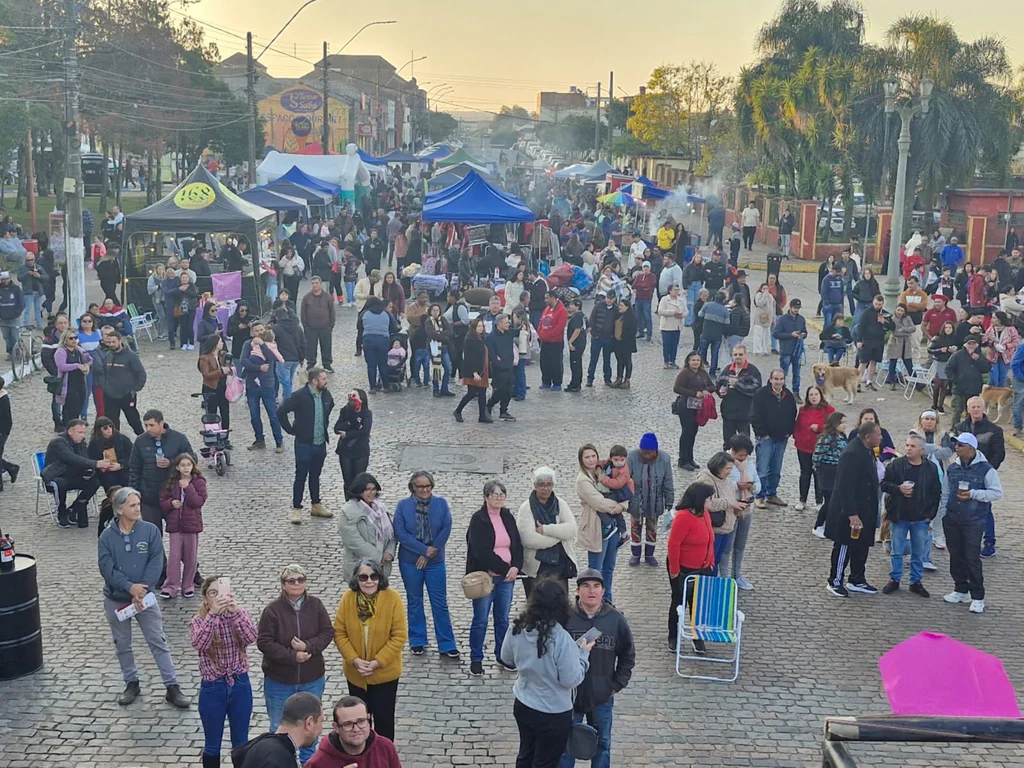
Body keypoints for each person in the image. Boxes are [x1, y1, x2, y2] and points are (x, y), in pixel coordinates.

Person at [98, 487, 191, 708]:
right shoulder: (106, 537)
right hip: (116, 599)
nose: (138, 508)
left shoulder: (150, 531)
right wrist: (130, 588)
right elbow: (106, 568)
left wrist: (143, 589)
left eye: (138, 504)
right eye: (132, 505)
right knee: (122, 644)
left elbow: (156, 560)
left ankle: (172, 686)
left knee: (158, 640)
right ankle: (131, 682)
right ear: (119, 509)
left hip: (145, 598)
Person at [501, 578, 593, 768]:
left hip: (524, 703)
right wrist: (583, 654)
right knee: (545, 763)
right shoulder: (561, 638)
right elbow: (571, 679)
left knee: (525, 756)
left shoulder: (517, 627)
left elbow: (507, 659)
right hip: (553, 712)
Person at [256, 564, 335, 764]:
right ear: (283, 585)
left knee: (310, 729)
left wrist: (308, 646)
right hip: (279, 681)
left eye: (300, 579)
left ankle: (310, 764)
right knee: (278, 728)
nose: (297, 584)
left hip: (311, 679)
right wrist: (293, 656)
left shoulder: (316, 605)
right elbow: (264, 642)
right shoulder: (272, 610)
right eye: (291, 580)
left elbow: (327, 632)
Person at [556, 569, 635, 768]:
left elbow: (628, 655)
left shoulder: (616, 620)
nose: (591, 591)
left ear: (603, 591)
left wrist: (616, 685)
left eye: (596, 586)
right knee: (565, 746)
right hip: (570, 695)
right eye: (586, 586)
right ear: (577, 591)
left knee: (602, 745)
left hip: (602, 696)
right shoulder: (565, 619)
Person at [190, 576, 259, 768]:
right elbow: (200, 644)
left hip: (239, 684)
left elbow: (252, 636)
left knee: (241, 742)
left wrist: (235, 612)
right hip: (213, 687)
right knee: (212, 744)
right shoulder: (199, 620)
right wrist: (213, 615)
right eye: (213, 593)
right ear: (205, 599)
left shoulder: (239, 614)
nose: (217, 597)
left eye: (220, 592)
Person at [393, 471, 459, 658]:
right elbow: (401, 532)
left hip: (435, 561)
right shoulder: (403, 506)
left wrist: (431, 552)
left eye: (427, 485)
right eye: (420, 486)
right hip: (410, 561)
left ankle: (447, 643)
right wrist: (423, 550)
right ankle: (417, 640)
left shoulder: (441, 504)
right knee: (414, 600)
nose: (424, 489)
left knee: (439, 602)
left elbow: (446, 528)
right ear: (413, 487)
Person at [466, 479, 524, 676]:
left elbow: (516, 543)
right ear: (486, 497)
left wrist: (516, 566)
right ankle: (476, 658)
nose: (499, 498)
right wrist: (506, 568)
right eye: (494, 495)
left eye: (502, 495)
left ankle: (503, 654)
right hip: (486, 578)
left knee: (502, 619)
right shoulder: (479, 520)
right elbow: (481, 551)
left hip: (507, 579)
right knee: (480, 619)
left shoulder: (507, 516)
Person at [942, 432, 1002, 614]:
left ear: (971, 448)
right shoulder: (952, 468)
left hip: (974, 520)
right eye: (956, 444)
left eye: (960, 445)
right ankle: (961, 589)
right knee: (955, 555)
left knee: (972, 557)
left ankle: (978, 596)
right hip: (952, 518)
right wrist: (943, 514)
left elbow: (996, 493)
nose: (956, 448)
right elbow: (945, 492)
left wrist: (974, 494)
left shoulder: (986, 469)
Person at [824, 420, 882, 598]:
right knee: (844, 546)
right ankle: (835, 581)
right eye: (878, 435)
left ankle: (857, 579)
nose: (881, 437)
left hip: (865, 509)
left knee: (861, 546)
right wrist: (852, 514)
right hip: (849, 513)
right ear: (868, 437)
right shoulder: (852, 453)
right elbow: (845, 487)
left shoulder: (867, 451)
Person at [879, 435, 941, 597]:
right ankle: (895, 579)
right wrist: (898, 489)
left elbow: (936, 493)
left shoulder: (930, 468)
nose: (908, 448)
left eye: (912, 446)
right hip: (899, 515)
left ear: (921, 450)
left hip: (920, 517)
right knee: (896, 550)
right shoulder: (896, 465)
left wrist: (930, 515)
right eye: (907, 445)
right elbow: (884, 484)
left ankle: (915, 581)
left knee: (918, 552)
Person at [278, 367, 335, 524]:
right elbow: (281, 411)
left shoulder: (326, 395)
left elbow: (330, 406)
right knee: (300, 476)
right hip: (304, 443)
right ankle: (296, 508)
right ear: (314, 381)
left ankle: (316, 504)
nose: (326, 381)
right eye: (323, 379)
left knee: (315, 475)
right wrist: (290, 430)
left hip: (320, 442)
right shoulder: (299, 396)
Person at [665, 482, 717, 653]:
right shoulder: (683, 517)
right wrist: (674, 571)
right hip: (683, 569)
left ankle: (698, 637)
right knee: (679, 602)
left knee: (699, 605)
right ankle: (673, 636)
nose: (712, 501)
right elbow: (674, 545)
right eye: (709, 498)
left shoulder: (705, 514)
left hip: (703, 568)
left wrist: (709, 562)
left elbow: (710, 540)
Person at [953, 395, 1005, 558]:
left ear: (984, 409)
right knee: (961, 504)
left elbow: (999, 454)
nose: (975, 410)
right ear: (967, 409)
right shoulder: (960, 427)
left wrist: (986, 470)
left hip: (983, 474)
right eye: (972, 407)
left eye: (978, 407)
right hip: (962, 472)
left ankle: (989, 542)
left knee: (984, 507)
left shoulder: (994, 430)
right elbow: (955, 448)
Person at [129, 409, 194, 536]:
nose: (148, 429)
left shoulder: (178, 438)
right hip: (149, 497)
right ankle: (159, 557)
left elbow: (192, 459)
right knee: (152, 535)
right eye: (146, 425)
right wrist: (134, 493)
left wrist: (172, 463)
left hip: (172, 495)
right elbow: (134, 468)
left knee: (178, 535)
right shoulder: (141, 441)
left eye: (151, 425)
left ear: (161, 423)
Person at [157, 453, 207, 600]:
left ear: (193, 466)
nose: (186, 468)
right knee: (174, 556)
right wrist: (171, 503)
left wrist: (188, 488)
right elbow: (163, 500)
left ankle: (188, 585)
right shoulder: (171, 482)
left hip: (191, 525)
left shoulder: (198, 482)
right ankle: (171, 586)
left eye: (188, 465)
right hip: (175, 525)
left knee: (190, 556)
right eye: (183, 465)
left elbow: (198, 501)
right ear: (178, 467)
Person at [42, 418, 108, 528]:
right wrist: (96, 464)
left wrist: (89, 472)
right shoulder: (58, 442)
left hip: (73, 475)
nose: (83, 435)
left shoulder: (81, 443)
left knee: (94, 482)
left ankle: (74, 509)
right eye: (80, 432)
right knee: (60, 483)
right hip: (56, 475)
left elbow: (84, 459)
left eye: (84, 433)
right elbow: (71, 458)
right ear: (70, 431)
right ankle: (62, 513)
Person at [304, 696, 403, 767]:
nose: (356, 729)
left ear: (368, 719)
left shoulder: (386, 748)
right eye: (348, 724)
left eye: (361, 721)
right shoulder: (318, 763)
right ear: (336, 727)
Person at [232, 692, 324, 768]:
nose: (321, 728)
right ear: (309, 723)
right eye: (321, 721)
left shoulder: (263, 743)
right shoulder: (280, 761)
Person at [626, 433, 675, 566]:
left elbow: (668, 480)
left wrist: (669, 500)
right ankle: (635, 555)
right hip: (636, 500)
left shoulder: (664, 459)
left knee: (652, 528)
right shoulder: (632, 457)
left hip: (655, 501)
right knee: (635, 527)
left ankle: (649, 555)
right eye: (644, 452)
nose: (646, 455)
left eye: (649, 452)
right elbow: (626, 479)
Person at [751, 369, 798, 508]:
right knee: (763, 469)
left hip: (781, 438)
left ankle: (771, 494)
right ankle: (759, 495)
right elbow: (755, 415)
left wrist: (788, 432)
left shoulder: (788, 395)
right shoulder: (761, 394)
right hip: (765, 437)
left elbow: (792, 414)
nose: (779, 382)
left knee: (776, 469)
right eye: (776, 379)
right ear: (770, 379)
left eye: (781, 379)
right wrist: (762, 433)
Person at [340, 473, 396, 583]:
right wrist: (378, 557)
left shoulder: (381, 509)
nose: (372, 493)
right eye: (367, 490)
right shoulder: (348, 512)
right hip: (358, 567)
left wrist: (389, 552)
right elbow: (353, 541)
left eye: (374, 489)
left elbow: (392, 534)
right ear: (359, 490)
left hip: (381, 568)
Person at [94, 329, 146, 435]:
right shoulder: (108, 355)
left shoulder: (131, 356)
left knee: (133, 420)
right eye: (109, 342)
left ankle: (143, 438)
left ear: (120, 340)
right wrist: (105, 386)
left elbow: (141, 374)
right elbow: (103, 372)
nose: (111, 344)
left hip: (126, 395)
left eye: (114, 342)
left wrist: (135, 389)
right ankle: (115, 443)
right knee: (112, 423)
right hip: (110, 395)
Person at [241, 326, 284, 452]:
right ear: (252, 333)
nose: (259, 333)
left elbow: (271, 358)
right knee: (254, 415)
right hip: (252, 384)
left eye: (261, 330)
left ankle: (279, 441)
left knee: (272, 414)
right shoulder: (248, 344)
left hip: (267, 384)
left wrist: (263, 345)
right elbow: (243, 360)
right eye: (256, 331)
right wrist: (258, 368)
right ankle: (259, 440)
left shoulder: (270, 344)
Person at [793, 385, 834, 511]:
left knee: (819, 475)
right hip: (803, 447)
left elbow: (833, 427)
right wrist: (797, 437)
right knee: (805, 474)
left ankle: (819, 501)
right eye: (811, 395)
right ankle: (802, 499)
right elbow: (798, 425)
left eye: (816, 394)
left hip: (820, 448)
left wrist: (820, 428)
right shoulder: (803, 409)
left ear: (820, 395)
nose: (814, 397)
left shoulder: (829, 410)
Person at [673, 351, 715, 471]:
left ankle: (690, 458)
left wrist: (707, 391)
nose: (695, 362)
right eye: (693, 360)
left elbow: (712, 386)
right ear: (688, 361)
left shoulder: (702, 373)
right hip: (685, 406)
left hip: (698, 406)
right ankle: (683, 459)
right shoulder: (685, 373)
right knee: (686, 432)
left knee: (693, 432)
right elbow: (677, 388)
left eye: (697, 360)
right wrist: (694, 393)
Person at [715, 345, 761, 449]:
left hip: (744, 414)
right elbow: (718, 384)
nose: (738, 357)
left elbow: (756, 389)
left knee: (744, 444)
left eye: (740, 354)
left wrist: (738, 384)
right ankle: (727, 465)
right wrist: (720, 391)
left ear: (745, 355)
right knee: (728, 444)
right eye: (735, 354)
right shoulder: (727, 369)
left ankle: (743, 464)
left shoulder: (752, 371)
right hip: (728, 413)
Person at [811, 412, 848, 538]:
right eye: (841, 422)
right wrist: (819, 470)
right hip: (827, 472)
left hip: (839, 471)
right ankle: (818, 525)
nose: (844, 425)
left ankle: (830, 524)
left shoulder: (843, 437)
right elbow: (817, 456)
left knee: (836, 500)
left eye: (845, 422)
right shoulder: (826, 438)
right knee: (829, 500)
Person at [334, 388, 373, 498]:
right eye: (350, 395)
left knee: (358, 481)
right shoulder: (345, 411)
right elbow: (337, 428)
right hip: (346, 451)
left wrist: (348, 434)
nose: (351, 397)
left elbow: (365, 431)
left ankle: (359, 504)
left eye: (354, 395)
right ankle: (349, 505)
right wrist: (352, 422)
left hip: (361, 451)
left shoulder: (366, 413)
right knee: (347, 481)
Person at [944, 335, 990, 425]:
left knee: (972, 412)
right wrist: (955, 380)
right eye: (969, 343)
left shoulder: (979, 355)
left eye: (974, 343)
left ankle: (970, 429)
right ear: (965, 344)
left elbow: (987, 368)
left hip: (974, 389)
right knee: (957, 411)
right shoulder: (957, 355)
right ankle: (955, 429)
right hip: (959, 389)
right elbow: (948, 369)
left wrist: (978, 360)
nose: (971, 345)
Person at [54, 328, 92, 426]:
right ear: (65, 340)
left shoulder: (80, 350)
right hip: (69, 385)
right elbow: (61, 366)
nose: (74, 340)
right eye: (71, 338)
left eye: (75, 338)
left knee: (79, 407)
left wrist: (86, 365)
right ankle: (68, 428)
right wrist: (77, 366)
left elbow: (90, 359)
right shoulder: (61, 351)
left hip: (81, 383)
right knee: (70, 409)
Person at [856, 294, 893, 390]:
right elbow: (860, 327)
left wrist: (884, 322)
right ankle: (857, 382)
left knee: (874, 362)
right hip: (867, 340)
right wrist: (859, 340)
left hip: (879, 341)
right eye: (876, 304)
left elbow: (893, 327)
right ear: (873, 302)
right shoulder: (866, 313)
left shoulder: (885, 314)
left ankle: (869, 381)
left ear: (882, 304)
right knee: (863, 362)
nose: (877, 306)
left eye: (879, 304)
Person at [773, 298, 807, 400]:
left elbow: (805, 332)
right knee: (783, 373)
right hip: (786, 351)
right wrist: (790, 335)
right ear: (790, 307)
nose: (796, 310)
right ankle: (782, 391)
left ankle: (796, 393)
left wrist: (803, 335)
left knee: (797, 373)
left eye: (798, 308)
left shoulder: (801, 319)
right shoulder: (782, 319)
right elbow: (776, 333)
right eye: (795, 308)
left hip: (797, 351)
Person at [270, 304, 305, 401]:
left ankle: (288, 401)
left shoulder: (275, 328)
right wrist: (302, 358)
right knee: (288, 380)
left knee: (285, 381)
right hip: (295, 359)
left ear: (277, 317)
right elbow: (303, 343)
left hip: (283, 359)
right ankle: (287, 397)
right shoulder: (297, 327)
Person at [198, 335, 231, 436]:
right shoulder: (205, 358)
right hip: (211, 388)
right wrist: (221, 371)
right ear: (215, 344)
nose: (222, 343)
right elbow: (206, 375)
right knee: (212, 413)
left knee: (225, 412)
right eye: (220, 342)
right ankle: (213, 436)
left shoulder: (222, 355)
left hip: (222, 387)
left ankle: (225, 437)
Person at [485, 313, 516, 421]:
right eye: (506, 322)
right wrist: (498, 363)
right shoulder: (491, 337)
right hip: (499, 368)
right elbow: (492, 355)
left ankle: (504, 410)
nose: (509, 324)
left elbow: (519, 331)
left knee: (509, 390)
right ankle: (489, 405)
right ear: (499, 323)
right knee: (500, 390)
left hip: (509, 365)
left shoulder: (509, 333)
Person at [301, 276, 336, 372]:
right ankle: (311, 363)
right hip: (311, 328)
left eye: (316, 283)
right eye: (313, 283)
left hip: (325, 327)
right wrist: (306, 326)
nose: (315, 285)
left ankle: (327, 364)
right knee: (311, 347)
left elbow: (332, 311)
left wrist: (331, 325)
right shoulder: (306, 298)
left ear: (320, 284)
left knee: (326, 346)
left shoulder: (327, 296)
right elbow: (303, 313)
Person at [537, 291, 567, 391]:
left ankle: (557, 382)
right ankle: (546, 381)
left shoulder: (562, 311)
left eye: (547, 298)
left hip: (555, 342)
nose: (545, 300)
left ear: (553, 298)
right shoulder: (546, 309)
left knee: (555, 363)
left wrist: (550, 335)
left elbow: (560, 326)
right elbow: (541, 322)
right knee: (544, 363)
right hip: (545, 341)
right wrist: (540, 333)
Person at [424, 302, 455, 397]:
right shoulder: (428, 322)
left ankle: (444, 388)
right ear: (430, 311)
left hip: (444, 348)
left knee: (448, 368)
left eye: (437, 310)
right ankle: (436, 389)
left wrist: (439, 334)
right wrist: (443, 337)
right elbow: (431, 334)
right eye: (433, 310)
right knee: (436, 369)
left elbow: (450, 331)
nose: (435, 312)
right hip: (434, 348)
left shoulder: (443, 319)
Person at [587, 292, 617, 387]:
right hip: (597, 337)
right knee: (593, 359)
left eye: (611, 298)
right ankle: (590, 378)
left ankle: (607, 378)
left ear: (614, 299)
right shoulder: (598, 306)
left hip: (609, 338)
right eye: (608, 298)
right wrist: (594, 333)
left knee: (607, 359)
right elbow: (592, 319)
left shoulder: (616, 309)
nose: (609, 300)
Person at [983, 311, 1019, 387]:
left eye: (994, 318)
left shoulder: (1011, 329)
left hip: (1006, 357)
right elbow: (986, 340)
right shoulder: (990, 329)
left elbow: (1016, 342)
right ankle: (990, 393)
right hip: (992, 357)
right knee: (994, 378)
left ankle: (1000, 394)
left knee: (1002, 378)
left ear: (1000, 319)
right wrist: (993, 344)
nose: (992, 319)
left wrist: (1006, 346)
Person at [884, 304, 916, 389]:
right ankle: (892, 382)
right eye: (898, 310)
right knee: (892, 363)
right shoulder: (891, 319)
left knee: (909, 364)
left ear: (904, 312)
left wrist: (903, 329)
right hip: (895, 343)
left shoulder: (907, 318)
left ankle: (916, 381)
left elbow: (913, 328)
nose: (899, 312)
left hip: (906, 344)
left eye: (901, 311)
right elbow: (895, 332)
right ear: (895, 310)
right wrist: (906, 331)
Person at [656, 283, 687, 369]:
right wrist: (673, 312)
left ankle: (672, 360)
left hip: (677, 325)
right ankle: (666, 361)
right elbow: (661, 311)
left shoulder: (681, 300)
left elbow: (686, 311)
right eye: (675, 290)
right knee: (667, 345)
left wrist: (682, 315)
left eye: (677, 290)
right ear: (670, 291)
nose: (676, 292)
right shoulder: (665, 299)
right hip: (667, 326)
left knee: (674, 344)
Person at [610, 298, 637, 388]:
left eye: (621, 305)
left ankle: (627, 380)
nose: (619, 307)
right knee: (619, 361)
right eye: (619, 305)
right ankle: (619, 378)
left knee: (627, 361)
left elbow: (632, 331)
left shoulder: (631, 318)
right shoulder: (618, 315)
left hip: (626, 343)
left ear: (627, 307)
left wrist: (623, 337)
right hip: (617, 342)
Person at [751, 282, 776, 357]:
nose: (765, 290)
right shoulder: (758, 295)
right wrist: (764, 295)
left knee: (766, 335)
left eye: (767, 288)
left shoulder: (771, 296)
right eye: (763, 288)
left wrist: (773, 317)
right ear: (761, 289)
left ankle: (765, 350)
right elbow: (759, 303)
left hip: (768, 319)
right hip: (759, 319)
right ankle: (757, 350)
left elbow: (773, 307)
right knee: (758, 335)